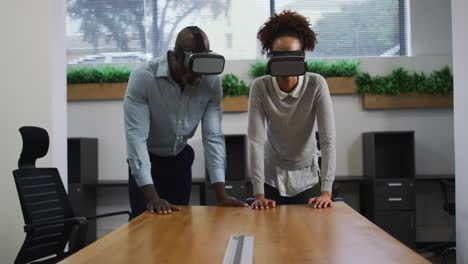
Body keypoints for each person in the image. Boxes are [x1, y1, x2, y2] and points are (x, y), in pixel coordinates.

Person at [124, 26, 247, 218]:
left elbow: (213, 136)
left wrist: (221, 195)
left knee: (179, 228)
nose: (197, 78)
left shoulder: (210, 81)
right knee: (144, 228)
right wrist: (152, 197)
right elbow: (136, 138)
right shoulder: (144, 78)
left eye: (201, 71)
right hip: (148, 161)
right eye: (191, 70)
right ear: (175, 57)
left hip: (180, 162)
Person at [248, 11, 336, 210]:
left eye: (293, 57)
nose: (286, 63)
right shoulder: (260, 87)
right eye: (279, 57)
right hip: (270, 180)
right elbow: (255, 141)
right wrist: (259, 194)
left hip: (308, 179)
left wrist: (326, 192)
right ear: (270, 57)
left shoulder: (316, 84)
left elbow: (328, 139)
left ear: (302, 56)